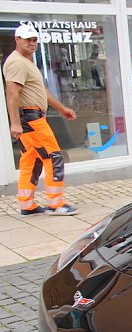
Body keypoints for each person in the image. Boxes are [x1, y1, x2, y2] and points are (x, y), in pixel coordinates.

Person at [3, 24, 79, 216]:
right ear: (17, 39)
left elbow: (41, 91)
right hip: (30, 118)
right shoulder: (17, 62)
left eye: (35, 39)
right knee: (53, 157)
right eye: (28, 39)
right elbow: (11, 93)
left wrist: (61, 109)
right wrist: (15, 123)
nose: (32, 43)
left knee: (32, 160)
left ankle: (26, 204)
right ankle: (55, 203)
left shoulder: (27, 62)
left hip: (31, 117)